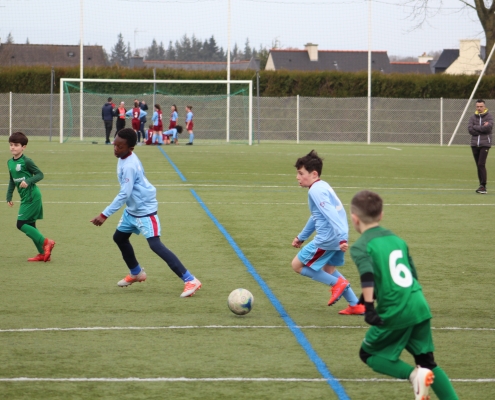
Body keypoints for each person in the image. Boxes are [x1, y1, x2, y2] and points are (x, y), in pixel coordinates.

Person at [349, 190, 459, 400]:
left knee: (368, 354)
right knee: (427, 362)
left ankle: (413, 376)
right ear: (381, 215)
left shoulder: (361, 246)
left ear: (354, 218)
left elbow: (367, 274)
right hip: (418, 304)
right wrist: (369, 295)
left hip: (395, 308)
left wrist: (369, 307)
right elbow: (411, 274)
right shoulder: (397, 239)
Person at [90, 128, 202, 296]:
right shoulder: (123, 157)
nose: (116, 149)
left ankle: (190, 279)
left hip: (144, 211)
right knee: (119, 238)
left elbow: (124, 194)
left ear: (130, 148)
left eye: (120, 146)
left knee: (155, 245)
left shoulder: (129, 165)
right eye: (115, 145)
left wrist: (104, 214)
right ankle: (136, 272)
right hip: (132, 210)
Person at [291, 150, 365, 315]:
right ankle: (356, 305)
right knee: (329, 270)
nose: (297, 177)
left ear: (314, 174)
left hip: (328, 239)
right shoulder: (322, 186)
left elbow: (331, 214)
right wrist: (301, 237)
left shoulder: (315, 191)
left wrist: (341, 238)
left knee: (296, 265)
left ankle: (338, 284)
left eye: (301, 173)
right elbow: (316, 216)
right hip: (337, 237)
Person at [6, 132, 55, 262]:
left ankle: (46, 242)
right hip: (25, 197)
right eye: (11, 144)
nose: (13, 147)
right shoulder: (10, 162)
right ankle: (42, 253)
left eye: (16, 145)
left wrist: (28, 181)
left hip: (32, 196)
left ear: (24, 147)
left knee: (21, 224)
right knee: (31, 226)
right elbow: (12, 180)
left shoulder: (26, 161)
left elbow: (40, 174)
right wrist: (9, 196)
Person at [468, 99, 493, 194]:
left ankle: (483, 186)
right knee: (478, 165)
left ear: (484, 107)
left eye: (481, 106)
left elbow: (488, 128)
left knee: (481, 164)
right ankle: (481, 186)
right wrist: (482, 128)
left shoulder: (489, 116)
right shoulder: (472, 117)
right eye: (477, 106)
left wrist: (476, 127)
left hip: (485, 144)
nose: (479, 108)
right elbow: (470, 130)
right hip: (474, 144)